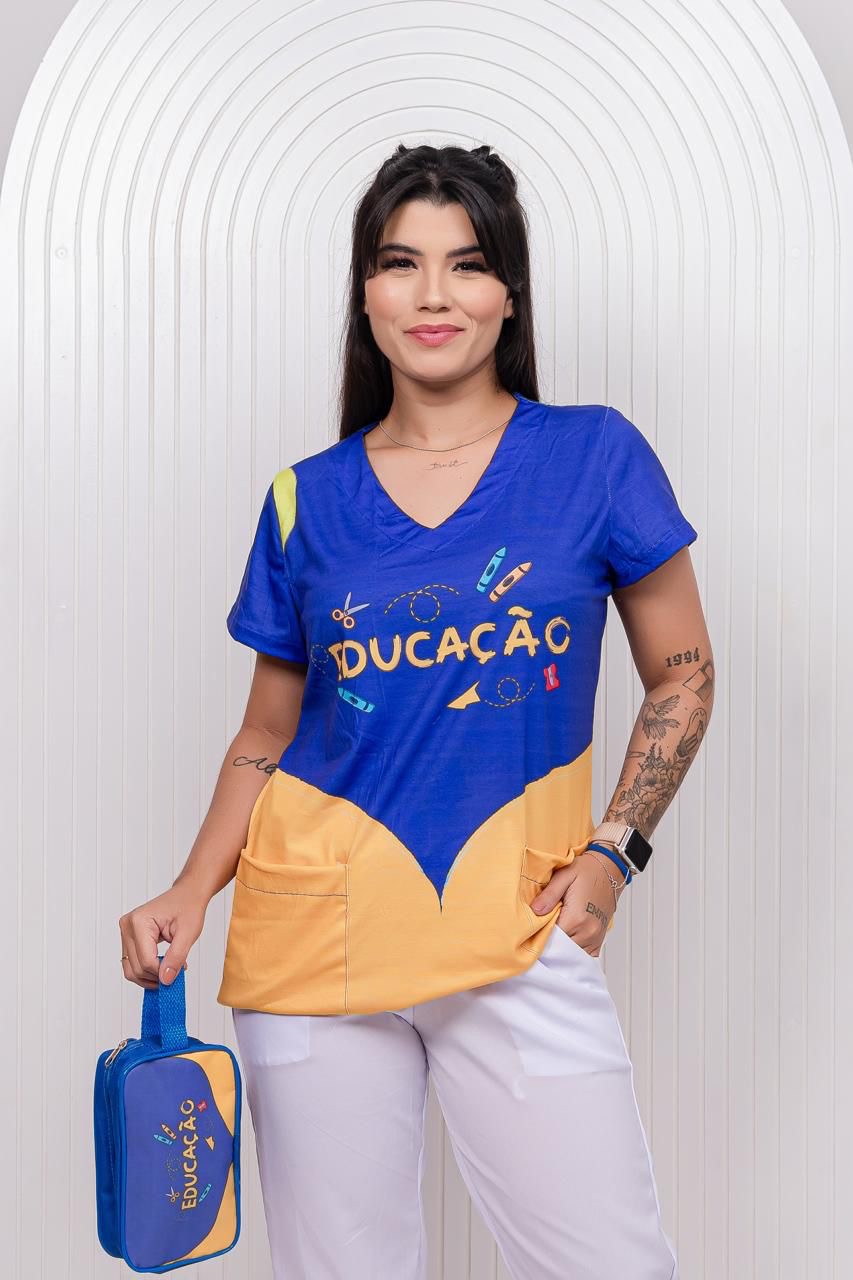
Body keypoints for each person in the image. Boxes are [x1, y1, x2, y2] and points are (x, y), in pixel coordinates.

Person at [119, 142, 713, 1280]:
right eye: (400, 264)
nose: (433, 294)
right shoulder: (303, 497)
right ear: (366, 293)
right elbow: (267, 731)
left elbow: (682, 672)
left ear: (509, 293)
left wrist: (614, 852)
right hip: (311, 939)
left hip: (517, 926)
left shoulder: (592, 455)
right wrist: (190, 889)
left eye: (466, 264)